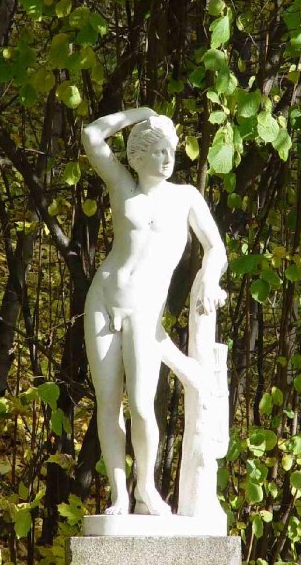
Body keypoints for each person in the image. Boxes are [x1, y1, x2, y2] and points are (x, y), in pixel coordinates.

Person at [82, 107, 227, 516]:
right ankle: (120, 494)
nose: (167, 159)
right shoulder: (122, 186)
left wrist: (210, 276)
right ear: (137, 156)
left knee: (143, 406)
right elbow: (92, 135)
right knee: (108, 402)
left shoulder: (185, 198)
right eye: (158, 151)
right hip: (104, 300)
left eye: (171, 152)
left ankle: (145, 486)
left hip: (144, 311)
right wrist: (140, 114)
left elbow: (216, 247)